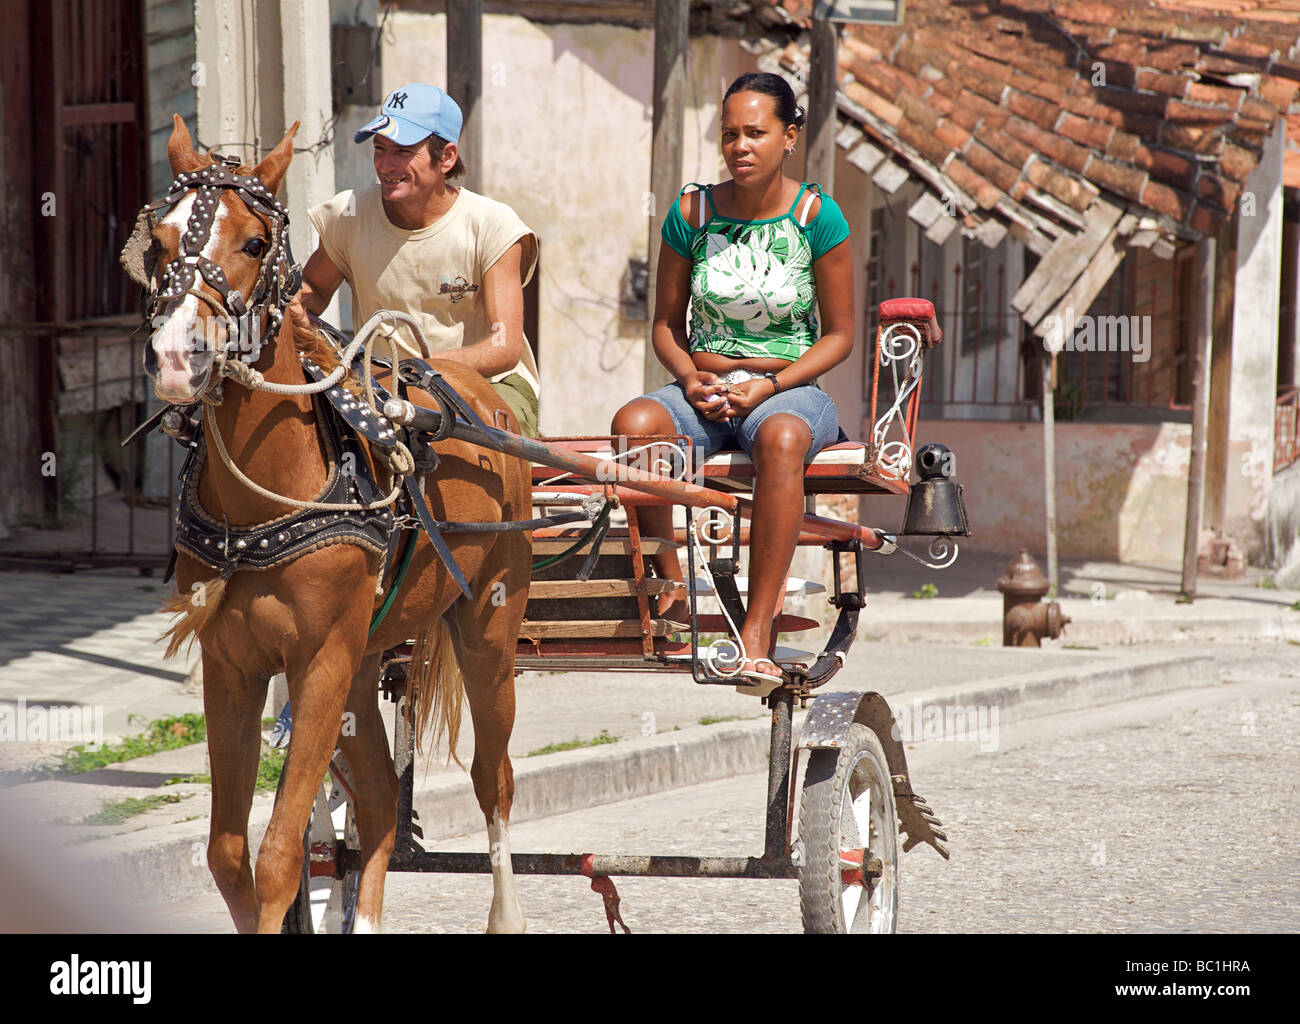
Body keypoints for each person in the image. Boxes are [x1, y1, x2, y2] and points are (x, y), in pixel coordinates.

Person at [611, 72, 854, 688]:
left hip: (790, 390)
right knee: (634, 424)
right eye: (728, 135)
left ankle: (757, 629)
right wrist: (690, 378)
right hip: (706, 386)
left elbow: (840, 336)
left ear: (789, 136)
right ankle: (668, 599)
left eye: (755, 132)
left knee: (780, 441)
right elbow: (665, 325)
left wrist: (770, 389)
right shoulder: (691, 212)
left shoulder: (817, 216)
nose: (739, 146)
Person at [299, 82, 541, 436]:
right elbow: (313, 291)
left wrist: (414, 371)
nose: (385, 164)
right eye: (379, 149)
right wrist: (289, 313)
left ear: (446, 158)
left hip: (493, 385)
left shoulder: (493, 225)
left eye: (402, 152)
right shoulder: (347, 215)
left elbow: (503, 349)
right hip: (381, 388)